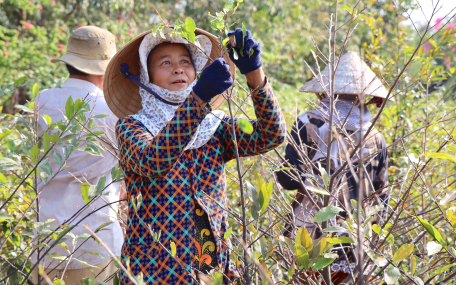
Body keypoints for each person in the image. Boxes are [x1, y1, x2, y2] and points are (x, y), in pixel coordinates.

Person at [103, 26, 286, 284]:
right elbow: (153, 161)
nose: (178, 69)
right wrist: (199, 99)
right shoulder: (132, 126)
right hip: (153, 270)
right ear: (147, 76)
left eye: (185, 62)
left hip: (210, 268)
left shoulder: (215, 127)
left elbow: (272, 135)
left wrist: (253, 72)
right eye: (165, 63)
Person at [277, 52, 390, 284]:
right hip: (357, 242)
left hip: (310, 236)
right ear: (365, 97)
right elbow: (382, 197)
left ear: (325, 90)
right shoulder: (376, 137)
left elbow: (288, 180)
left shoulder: (309, 123)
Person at [33, 26, 123, 284]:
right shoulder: (112, 111)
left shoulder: (41, 101)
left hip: (46, 242)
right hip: (96, 240)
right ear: (107, 67)